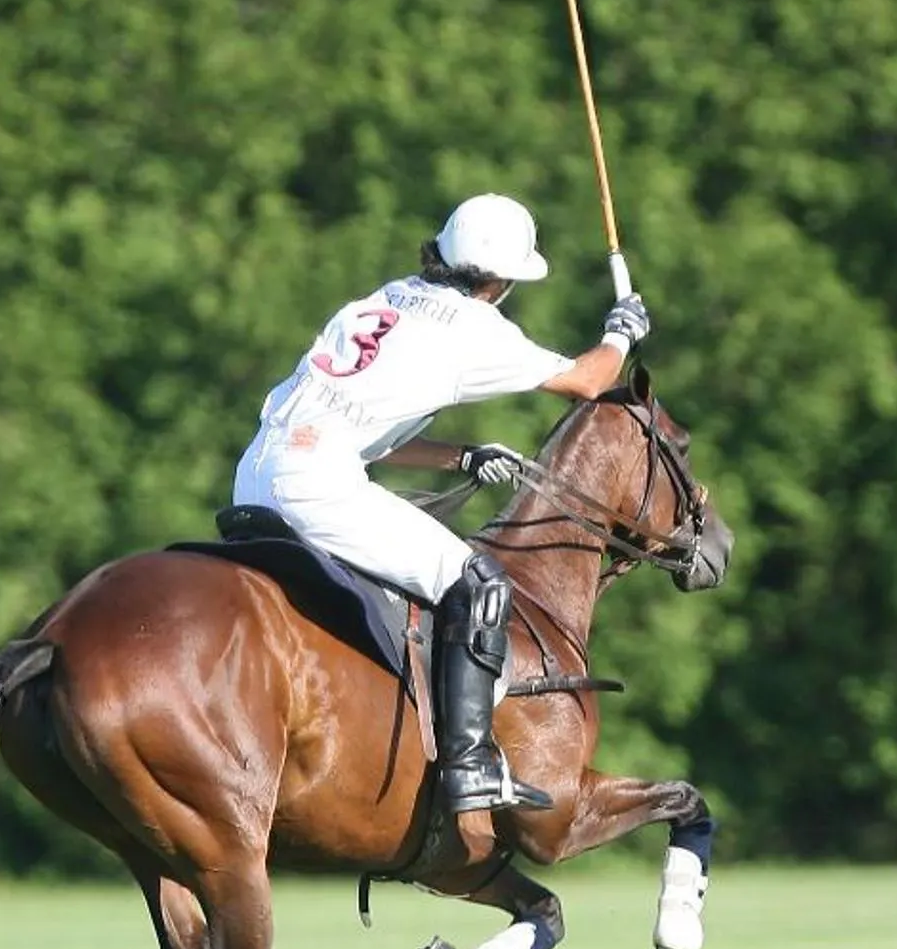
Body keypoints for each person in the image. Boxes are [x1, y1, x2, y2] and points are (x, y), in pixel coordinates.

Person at [233, 193, 651, 817]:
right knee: (480, 583)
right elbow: (587, 381)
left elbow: (368, 427)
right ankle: (470, 765)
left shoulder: (384, 298)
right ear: (504, 278)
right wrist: (622, 330)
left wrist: (460, 456)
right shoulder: (473, 328)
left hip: (256, 472)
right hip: (318, 486)